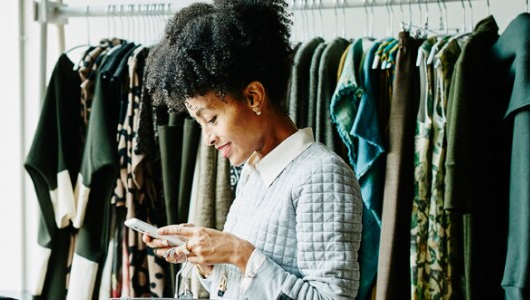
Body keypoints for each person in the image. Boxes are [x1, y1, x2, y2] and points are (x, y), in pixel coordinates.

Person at [141, 0, 364, 299]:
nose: (207, 139)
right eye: (200, 123)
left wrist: (238, 252)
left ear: (253, 97)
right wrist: (208, 260)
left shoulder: (322, 174)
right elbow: (242, 288)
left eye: (212, 119)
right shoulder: (254, 171)